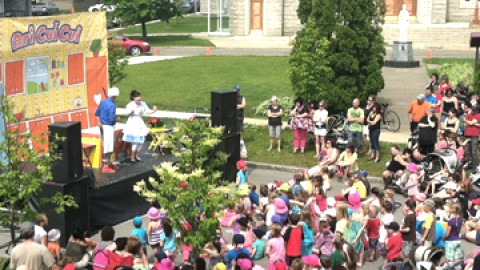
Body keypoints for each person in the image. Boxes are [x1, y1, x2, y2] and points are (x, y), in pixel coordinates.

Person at [122, 90, 157, 163]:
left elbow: (148, 111)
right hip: (133, 123)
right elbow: (127, 114)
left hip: (140, 122)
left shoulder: (142, 104)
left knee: (141, 141)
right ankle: (132, 156)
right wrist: (132, 111)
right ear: (133, 98)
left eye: (139, 99)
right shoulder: (130, 105)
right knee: (135, 141)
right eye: (137, 100)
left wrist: (154, 110)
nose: (139, 101)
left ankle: (137, 155)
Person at [96, 86, 120, 173]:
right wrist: (117, 120)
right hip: (108, 127)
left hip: (102, 126)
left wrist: (100, 123)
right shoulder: (112, 105)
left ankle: (109, 163)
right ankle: (106, 166)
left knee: (106, 145)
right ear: (115, 96)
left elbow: (97, 113)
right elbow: (112, 119)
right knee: (108, 147)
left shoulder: (103, 102)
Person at [464, 102, 480, 168]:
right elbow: (465, 123)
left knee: (474, 151)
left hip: (475, 135)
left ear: (477, 110)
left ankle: (475, 165)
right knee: (468, 150)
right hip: (467, 134)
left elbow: (469, 123)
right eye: (472, 109)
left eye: (474, 109)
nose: (473, 110)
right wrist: (472, 123)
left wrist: (470, 122)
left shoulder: (479, 115)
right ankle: (471, 163)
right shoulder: (468, 115)